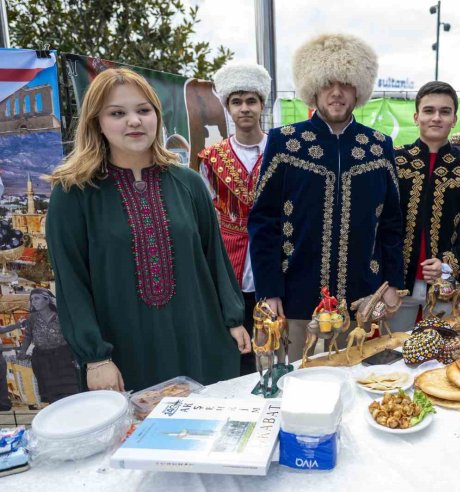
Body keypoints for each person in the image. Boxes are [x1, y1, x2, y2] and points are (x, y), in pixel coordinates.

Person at [45, 68, 250, 392]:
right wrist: (96, 357)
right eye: (117, 113)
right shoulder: (74, 192)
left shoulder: (189, 183)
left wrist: (234, 319)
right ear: (97, 121)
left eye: (144, 110)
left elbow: (215, 259)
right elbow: (71, 283)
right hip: (124, 358)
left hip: (199, 344)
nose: (134, 121)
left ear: (157, 115)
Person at [248, 33, 404, 361]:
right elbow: (264, 221)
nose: (336, 92)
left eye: (346, 83)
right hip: (294, 291)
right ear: (313, 86)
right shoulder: (284, 142)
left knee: (357, 379)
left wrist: (392, 282)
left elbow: (391, 222)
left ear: (358, 88)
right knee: (290, 381)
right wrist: (268, 290)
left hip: (362, 296)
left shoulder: (378, 146)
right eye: (327, 82)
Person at [388, 81, 460, 331]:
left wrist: (449, 264)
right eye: (428, 110)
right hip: (397, 283)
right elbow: (377, 223)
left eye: (445, 112)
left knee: (443, 353)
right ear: (416, 117)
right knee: (394, 354)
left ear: (454, 119)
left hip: (446, 285)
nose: (436, 118)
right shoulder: (395, 160)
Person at [198, 62, 271, 375]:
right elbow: (205, 215)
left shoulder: (281, 150)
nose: (244, 109)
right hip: (231, 258)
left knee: (278, 342)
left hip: (274, 255)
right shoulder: (211, 158)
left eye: (251, 101)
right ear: (227, 107)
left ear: (262, 105)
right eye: (237, 102)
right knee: (237, 342)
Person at [6, 289, 80, 403]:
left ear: (47, 300)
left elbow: (71, 334)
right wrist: (22, 351)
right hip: (43, 360)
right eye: (31, 299)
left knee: (70, 390)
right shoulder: (32, 318)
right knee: (52, 394)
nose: (33, 302)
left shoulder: (61, 316)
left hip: (63, 357)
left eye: (37, 298)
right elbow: (28, 336)